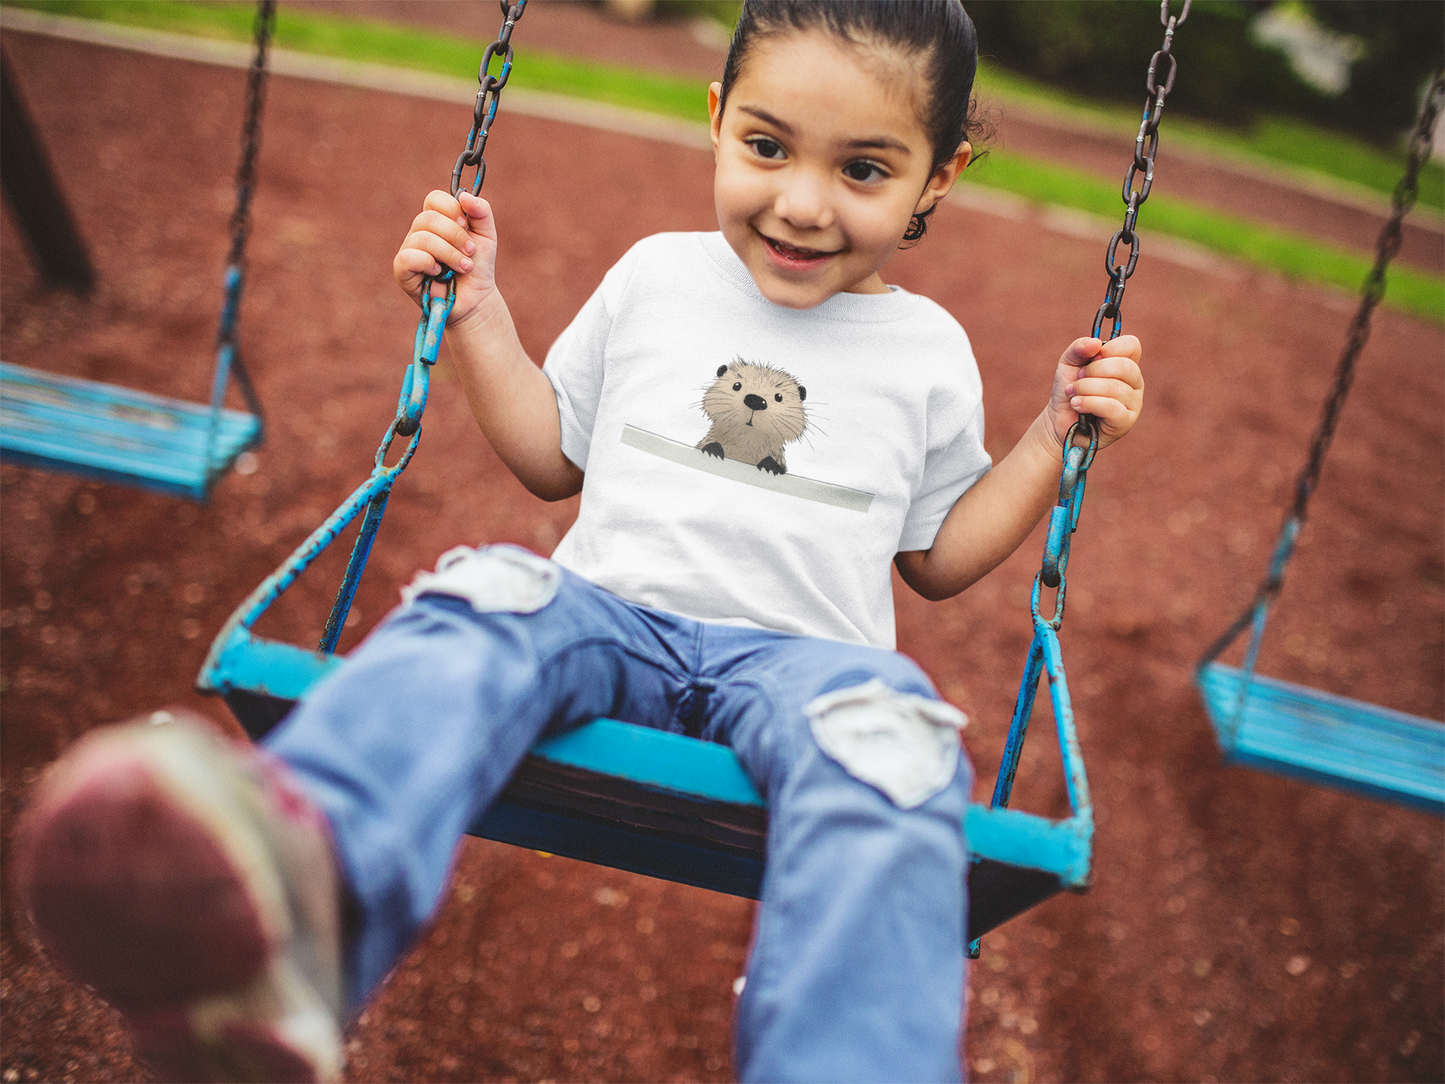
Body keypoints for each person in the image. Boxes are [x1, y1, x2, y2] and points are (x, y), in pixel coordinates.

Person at [14, 1, 1144, 1081]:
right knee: (488, 597)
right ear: (716, 115)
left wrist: (1054, 437)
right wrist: (476, 312)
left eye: (861, 169)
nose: (802, 203)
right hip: (602, 618)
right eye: (765, 146)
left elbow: (936, 559)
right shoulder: (655, 274)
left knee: (894, 748)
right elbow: (555, 455)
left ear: (934, 176)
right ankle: (297, 914)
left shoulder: (927, 350)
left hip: (809, 668)